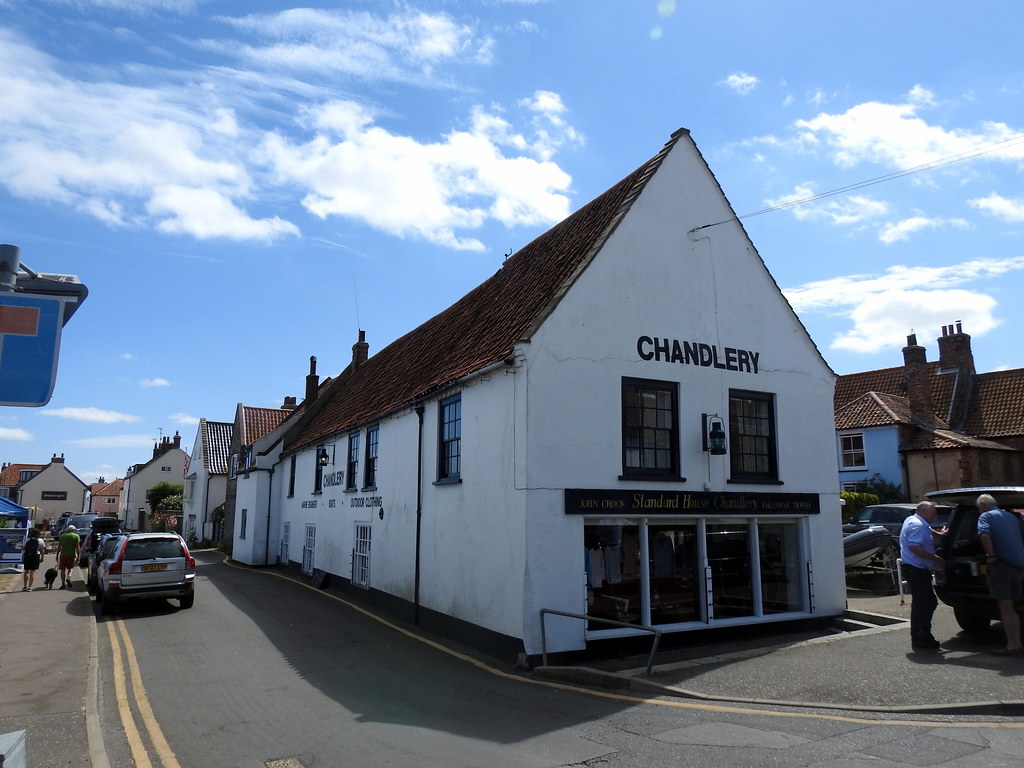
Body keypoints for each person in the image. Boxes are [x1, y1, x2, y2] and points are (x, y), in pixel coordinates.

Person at [977, 493, 1024, 655]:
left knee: (1005, 606)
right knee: (1012, 605)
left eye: (978, 508)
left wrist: (990, 556)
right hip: (1018, 565)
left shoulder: (985, 516)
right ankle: (1016, 642)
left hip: (1001, 565)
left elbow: (984, 535)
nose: (979, 510)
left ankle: (1013, 645)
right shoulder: (1012, 517)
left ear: (983, 505)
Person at [898, 500, 946, 649]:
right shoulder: (917, 525)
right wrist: (935, 558)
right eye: (933, 512)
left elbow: (927, 530)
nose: (935, 515)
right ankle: (921, 635)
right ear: (924, 511)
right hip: (916, 568)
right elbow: (914, 546)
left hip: (915, 568)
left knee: (923, 602)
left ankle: (920, 634)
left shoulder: (913, 520)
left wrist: (939, 534)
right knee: (926, 602)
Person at [57, 524, 81, 590]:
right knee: (71, 568)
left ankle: (63, 584)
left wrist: (57, 555)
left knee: (62, 569)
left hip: (63, 554)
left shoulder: (62, 536)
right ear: (73, 530)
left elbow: (59, 547)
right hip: (71, 554)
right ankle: (69, 577)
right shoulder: (76, 536)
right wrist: (79, 556)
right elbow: (77, 547)